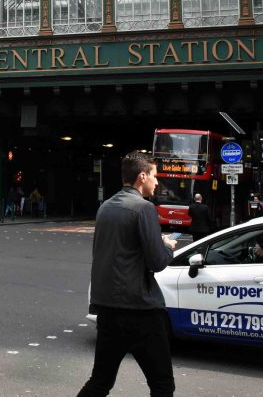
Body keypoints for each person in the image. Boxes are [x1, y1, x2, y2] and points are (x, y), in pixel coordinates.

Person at [79, 151, 176, 397]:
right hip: (140, 311)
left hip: (108, 308)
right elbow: (157, 262)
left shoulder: (105, 207)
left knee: (100, 381)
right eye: (155, 176)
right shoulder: (144, 209)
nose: (157, 182)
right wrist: (167, 246)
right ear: (142, 176)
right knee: (162, 384)